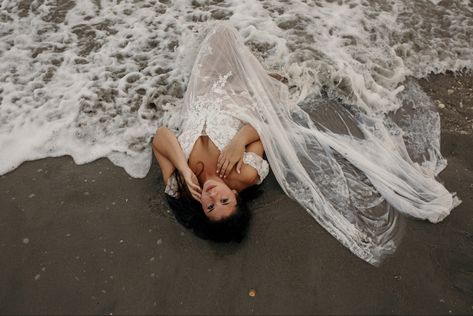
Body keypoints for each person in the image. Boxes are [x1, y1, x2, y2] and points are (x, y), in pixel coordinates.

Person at [153, 22, 458, 265]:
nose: (213, 196)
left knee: (220, 32)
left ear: (202, 210)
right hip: (236, 103)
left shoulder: (180, 186)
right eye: (224, 201)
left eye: (210, 206)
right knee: (227, 38)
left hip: (202, 95)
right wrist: (238, 141)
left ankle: (258, 77)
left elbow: (161, 137)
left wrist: (182, 165)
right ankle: (259, 81)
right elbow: (267, 130)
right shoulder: (244, 175)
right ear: (235, 195)